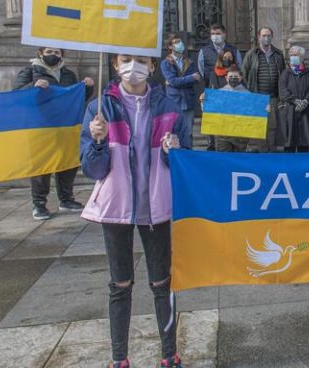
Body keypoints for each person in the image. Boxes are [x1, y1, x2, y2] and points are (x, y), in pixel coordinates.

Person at [81, 53, 190, 368]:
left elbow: (184, 163)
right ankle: (119, 358)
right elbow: (93, 168)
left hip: (156, 208)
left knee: (161, 282)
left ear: (152, 67)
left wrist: (175, 151)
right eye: (127, 59)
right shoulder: (100, 108)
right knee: (120, 285)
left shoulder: (169, 109)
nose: (134, 66)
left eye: (141, 60)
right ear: (115, 65)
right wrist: (98, 142)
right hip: (117, 208)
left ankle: (169, 355)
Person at [14, 47, 94, 220]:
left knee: (67, 162)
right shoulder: (29, 71)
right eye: (50, 51)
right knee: (42, 165)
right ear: (40, 53)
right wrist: (32, 87)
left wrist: (87, 88)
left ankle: (66, 199)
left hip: (63, 126)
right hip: (39, 126)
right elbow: (17, 94)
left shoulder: (68, 74)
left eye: (57, 53)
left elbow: (77, 98)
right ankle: (39, 204)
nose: (54, 55)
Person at [241, 27, 286, 152]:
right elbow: (244, 74)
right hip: (257, 97)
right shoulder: (251, 54)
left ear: (272, 37)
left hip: (273, 97)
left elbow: (282, 74)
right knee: (258, 128)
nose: (266, 38)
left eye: (269, 35)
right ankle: (261, 154)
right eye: (264, 35)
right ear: (259, 37)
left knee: (272, 128)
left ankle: (271, 153)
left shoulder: (278, 54)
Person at [278, 46, 309, 153]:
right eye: (291, 55)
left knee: (305, 145)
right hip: (290, 112)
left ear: (302, 58)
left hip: (306, 113)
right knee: (289, 145)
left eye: (296, 55)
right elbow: (282, 91)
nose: (293, 57)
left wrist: (305, 101)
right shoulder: (285, 73)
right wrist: (295, 101)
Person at [160, 35, 201, 136]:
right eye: (176, 42)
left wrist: (177, 82)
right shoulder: (166, 63)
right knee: (174, 132)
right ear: (170, 46)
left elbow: (197, 79)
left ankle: (188, 152)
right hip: (174, 101)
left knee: (188, 132)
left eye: (181, 42)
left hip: (188, 101)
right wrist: (190, 78)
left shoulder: (189, 62)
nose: (180, 44)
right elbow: (173, 81)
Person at [212, 66, 249, 153]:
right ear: (226, 78)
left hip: (240, 136)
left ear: (240, 78)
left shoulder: (248, 95)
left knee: (239, 161)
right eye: (231, 77)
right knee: (223, 161)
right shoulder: (219, 93)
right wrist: (204, 102)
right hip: (222, 135)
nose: (233, 79)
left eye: (235, 77)